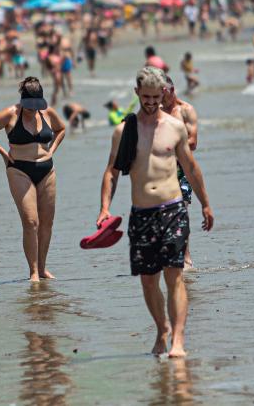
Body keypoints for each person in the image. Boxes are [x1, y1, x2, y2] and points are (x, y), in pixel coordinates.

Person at [96, 67, 213, 358]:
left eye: (155, 97)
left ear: (164, 93)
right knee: (149, 280)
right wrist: (105, 208)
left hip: (173, 209)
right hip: (141, 213)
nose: (150, 102)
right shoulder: (124, 131)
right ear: (137, 93)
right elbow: (111, 172)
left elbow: (191, 167)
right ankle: (162, 329)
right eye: (145, 97)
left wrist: (205, 203)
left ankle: (178, 341)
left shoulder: (175, 127)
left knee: (174, 276)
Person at [0, 77, 66, 282]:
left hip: (47, 170)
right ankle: (33, 271)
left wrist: (52, 150)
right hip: (19, 171)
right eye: (29, 106)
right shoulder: (11, 113)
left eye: (36, 106)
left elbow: (61, 129)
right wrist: (2, 152)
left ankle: (42, 268)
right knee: (31, 222)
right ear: (22, 101)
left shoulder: (47, 112)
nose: (33, 110)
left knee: (47, 222)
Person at [162, 75, 199, 269]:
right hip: (161, 169)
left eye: (163, 94)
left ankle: (186, 255)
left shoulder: (186, 110)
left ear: (172, 90)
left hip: (182, 168)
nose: (160, 99)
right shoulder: (155, 112)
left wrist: (170, 142)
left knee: (181, 211)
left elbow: (193, 142)